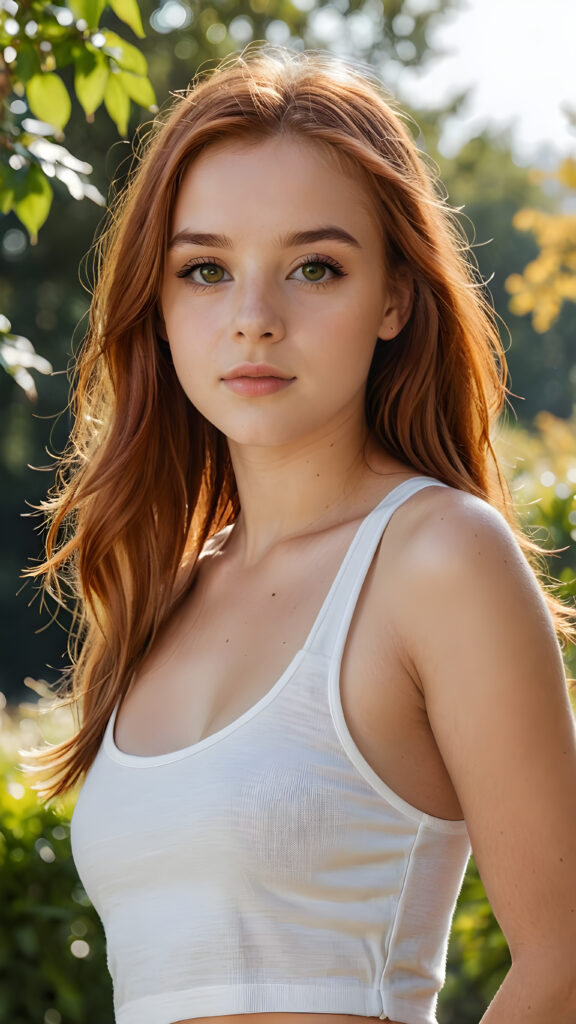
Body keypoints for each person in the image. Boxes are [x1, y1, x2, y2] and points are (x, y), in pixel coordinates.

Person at [23, 43, 576, 1024]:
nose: (253, 318)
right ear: (157, 299)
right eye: (205, 270)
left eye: (314, 267)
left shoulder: (440, 558)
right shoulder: (167, 588)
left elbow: (565, 956)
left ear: (395, 297)